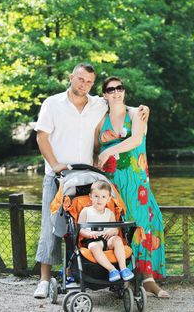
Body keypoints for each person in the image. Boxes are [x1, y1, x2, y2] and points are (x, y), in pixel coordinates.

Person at [33, 63, 149, 298]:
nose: (84, 84)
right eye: (80, 79)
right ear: (71, 77)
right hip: (58, 176)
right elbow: (41, 136)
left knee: (86, 225)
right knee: (50, 227)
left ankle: (86, 272)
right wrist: (55, 164)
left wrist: (141, 109)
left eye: (88, 81)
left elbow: (118, 101)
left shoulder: (98, 104)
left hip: (88, 178)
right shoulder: (52, 104)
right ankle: (44, 280)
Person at [95, 76, 170, 298]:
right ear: (105, 94)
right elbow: (94, 150)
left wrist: (108, 150)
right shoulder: (101, 121)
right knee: (117, 228)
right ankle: (124, 277)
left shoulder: (137, 113)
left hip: (136, 181)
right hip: (112, 183)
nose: (117, 92)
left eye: (120, 88)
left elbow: (137, 139)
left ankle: (147, 279)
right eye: (111, 89)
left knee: (143, 225)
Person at [78, 180, 134, 282]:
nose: (99, 200)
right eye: (96, 196)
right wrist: (89, 234)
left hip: (107, 239)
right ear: (90, 196)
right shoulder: (86, 211)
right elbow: (80, 229)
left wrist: (112, 231)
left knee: (117, 239)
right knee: (94, 246)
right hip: (92, 240)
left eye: (103, 197)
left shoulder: (110, 213)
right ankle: (112, 270)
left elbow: (115, 229)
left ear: (109, 199)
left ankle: (123, 268)